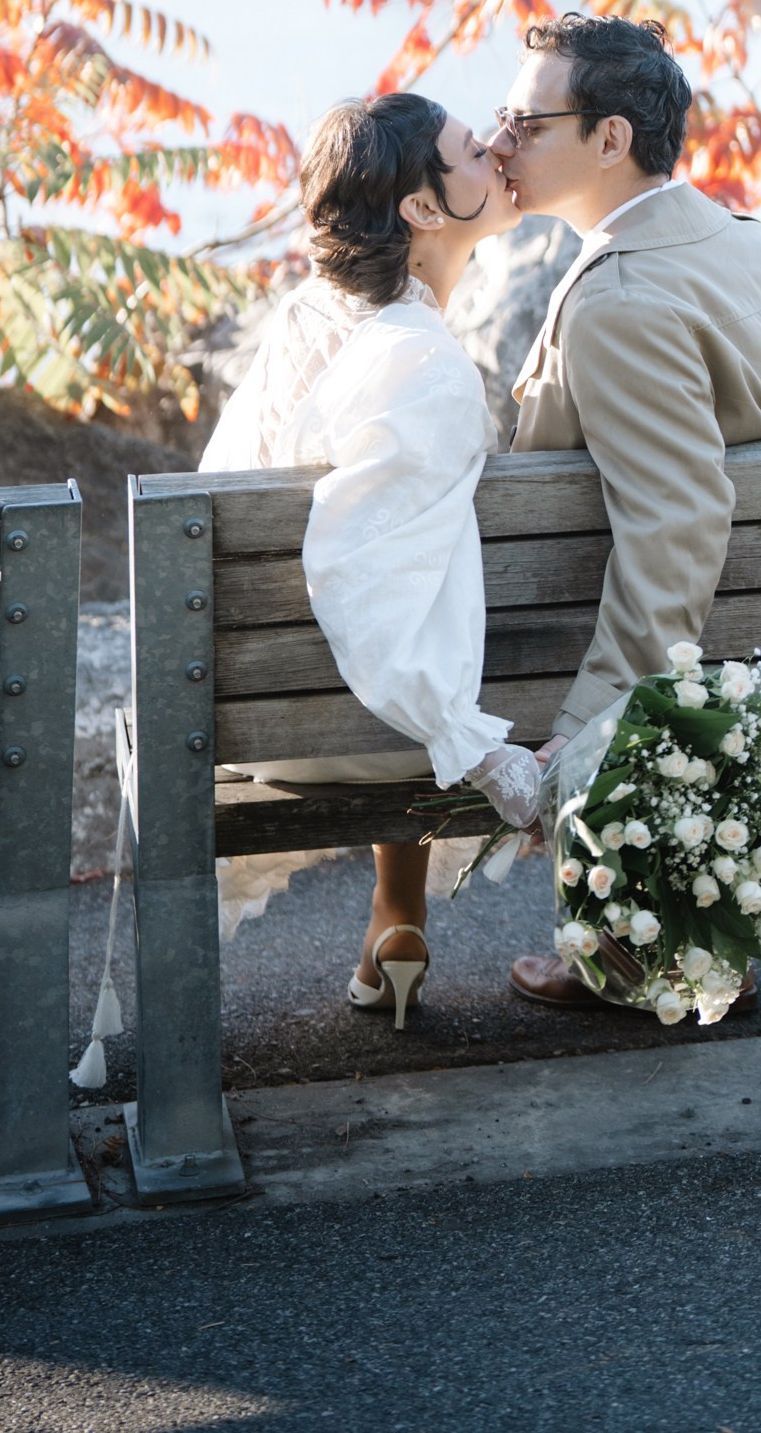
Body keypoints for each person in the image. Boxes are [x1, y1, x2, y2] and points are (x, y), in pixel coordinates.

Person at [491, 12, 761, 1010]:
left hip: (703, 640)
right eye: (500, 121)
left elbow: (674, 527)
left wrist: (585, 728)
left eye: (525, 125)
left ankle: (641, 943)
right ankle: (654, 932)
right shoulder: (752, 243)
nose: (500, 143)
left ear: (610, 139)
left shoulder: (621, 299)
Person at [202, 94, 543, 1026]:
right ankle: (404, 911)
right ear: (424, 209)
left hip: (259, 706)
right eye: (473, 149)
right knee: (430, 624)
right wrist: (476, 747)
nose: (500, 148)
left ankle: (398, 913)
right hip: (360, 727)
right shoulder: (423, 365)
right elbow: (361, 576)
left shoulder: (308, 319)